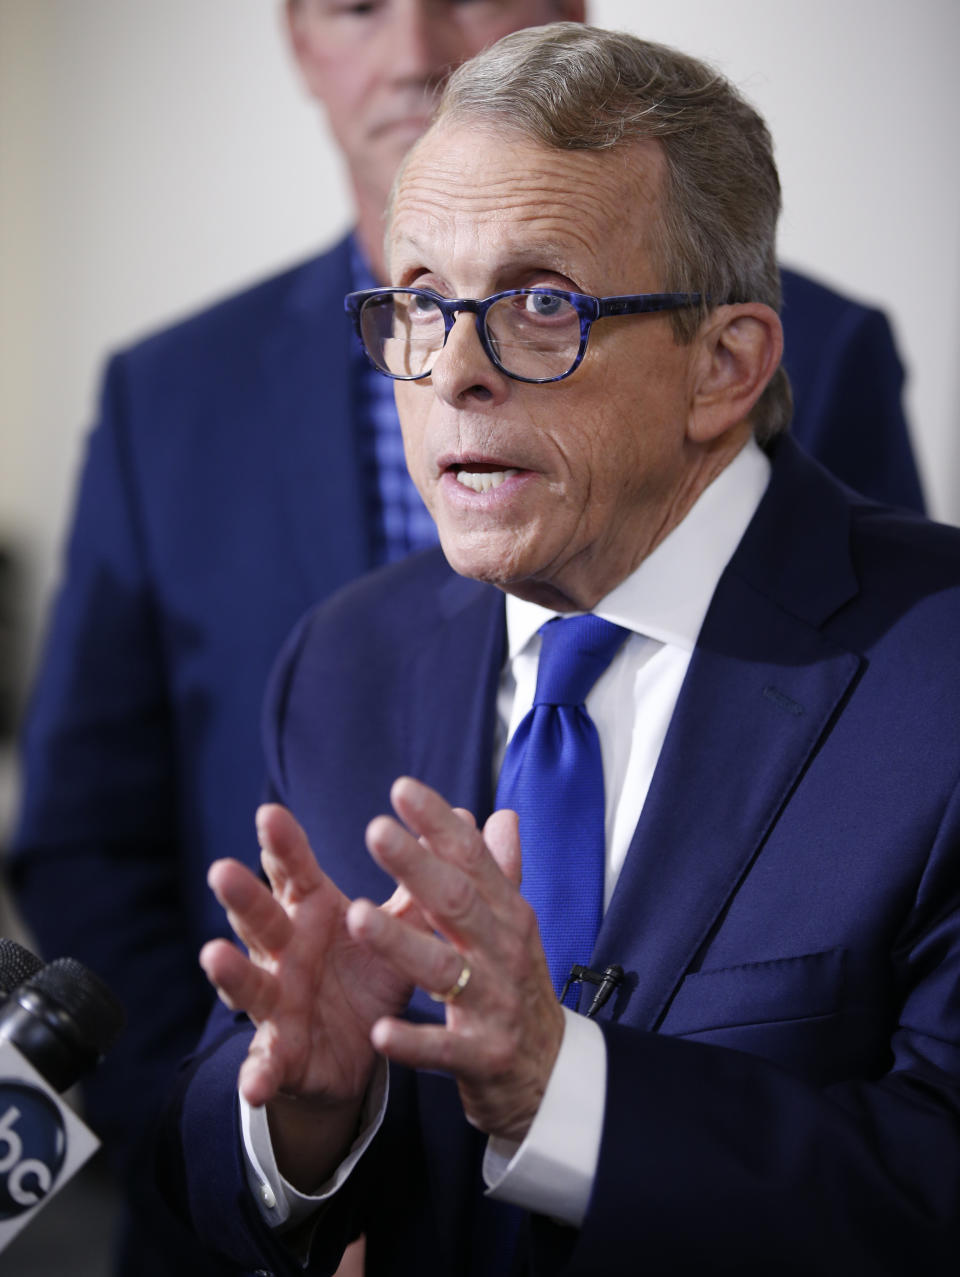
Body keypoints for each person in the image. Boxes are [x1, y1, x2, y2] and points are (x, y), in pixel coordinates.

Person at [7, 1, 924, 1272]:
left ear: (723, 364)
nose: (451, 374)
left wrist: (571, 1090)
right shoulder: (342, 659)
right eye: (422, 302)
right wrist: (310, 1121)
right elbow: (230, 1146)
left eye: (542, 301)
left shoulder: (931, 676)